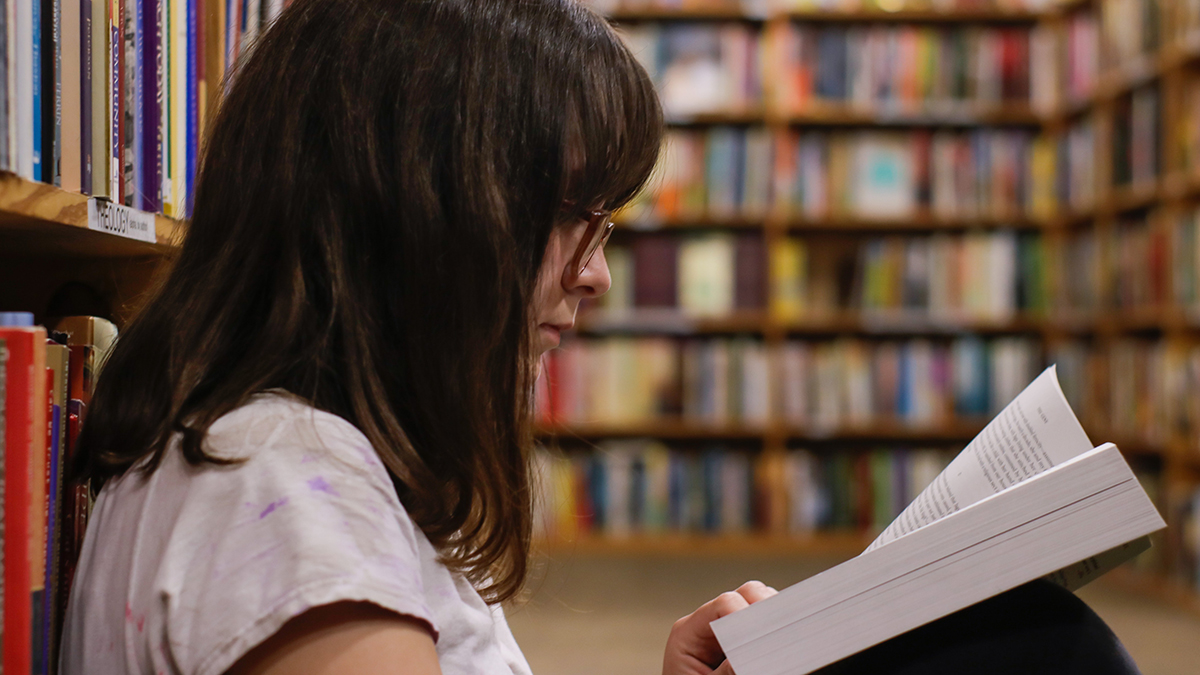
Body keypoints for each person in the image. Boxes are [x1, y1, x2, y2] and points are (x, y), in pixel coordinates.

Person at [58, 0, 1143, 674]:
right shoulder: (290, 496)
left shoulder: (254, 450)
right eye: (574, 215)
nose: (598, 274)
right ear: (428, 209)